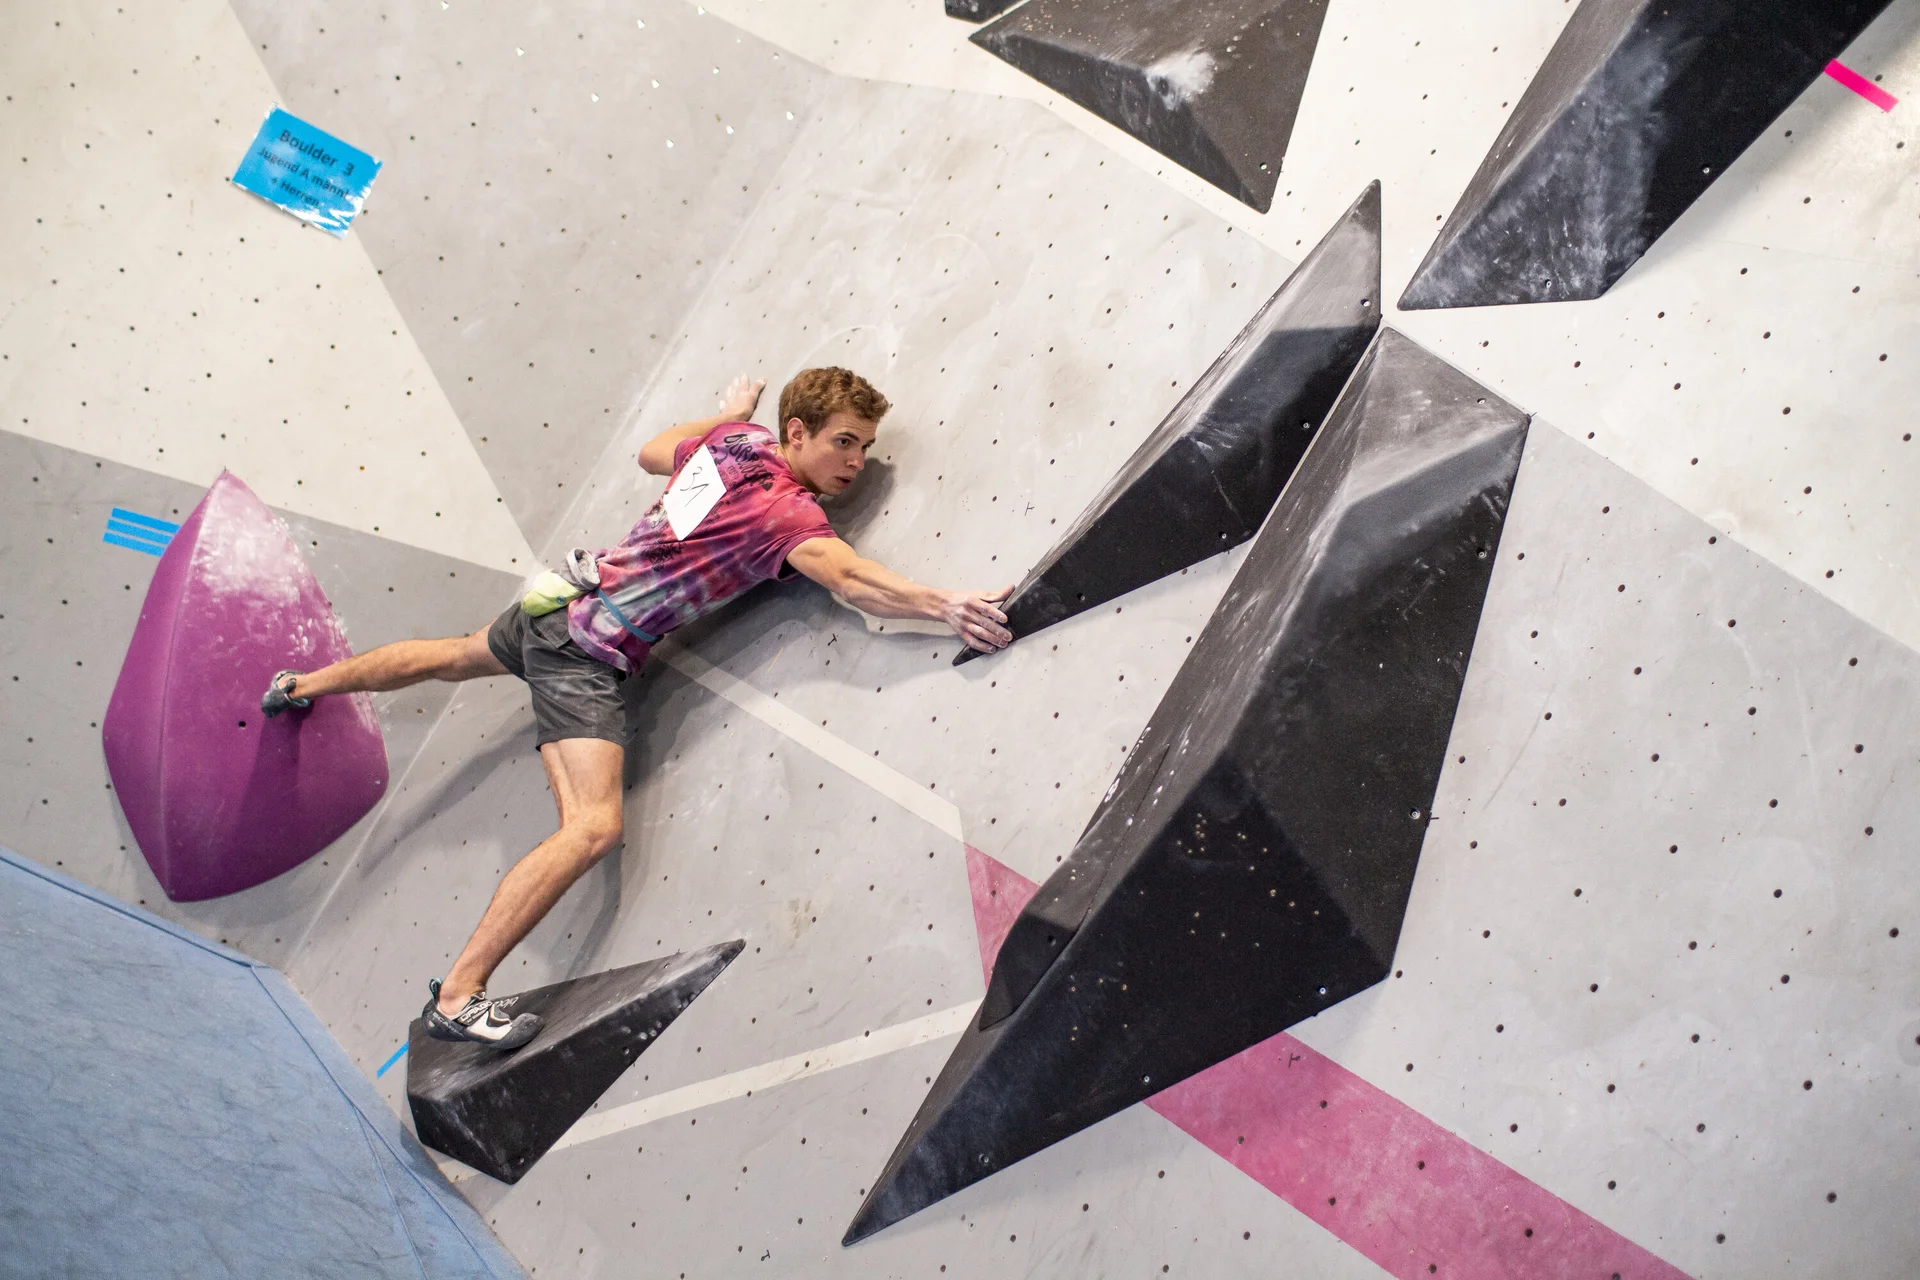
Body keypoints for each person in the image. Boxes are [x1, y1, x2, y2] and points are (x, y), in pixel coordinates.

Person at [261, 368, 1011, 1049]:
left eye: (865, 446)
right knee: (592, 828)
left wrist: (724, 414)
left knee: (457, 655)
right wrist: (944, 602)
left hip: (557, 605)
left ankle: (300, 685)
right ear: (797, 435)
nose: (854, 461)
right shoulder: (782, 517)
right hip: (585, 652)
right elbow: (854, 580)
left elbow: (655, 451)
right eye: (844, 443)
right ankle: (457, 997)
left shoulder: (732, 446)